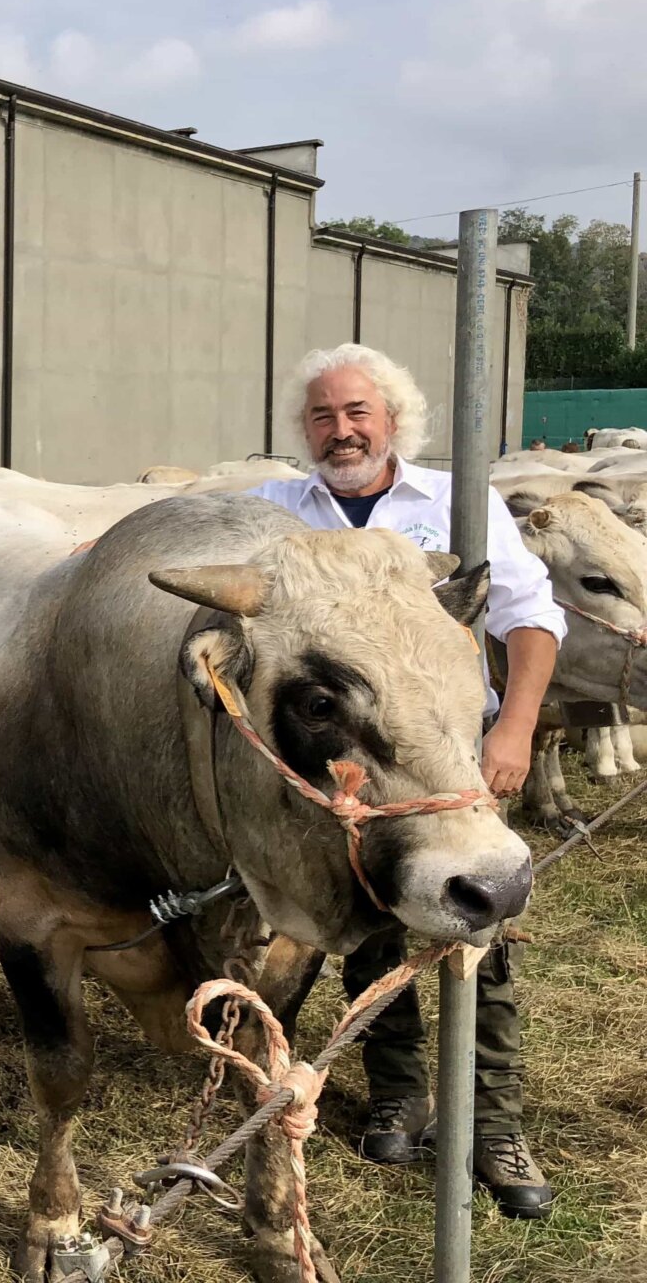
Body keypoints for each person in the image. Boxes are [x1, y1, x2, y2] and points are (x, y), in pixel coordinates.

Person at [249, 342, 563, 1220]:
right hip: (346, 770)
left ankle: (492, 1123)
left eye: (357, 413)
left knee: (476, 936)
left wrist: (514, 727)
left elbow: (531, 618)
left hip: (448, 761)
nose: (339, 431)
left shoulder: (458, 504)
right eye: (322, 415)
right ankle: (399, 1092)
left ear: (393, 422)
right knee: (370, 923)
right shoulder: (276, 509)